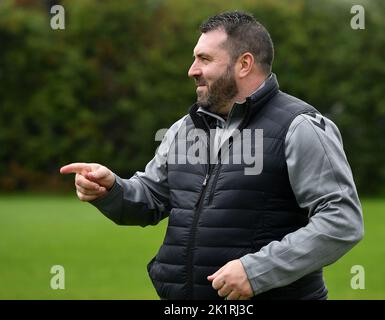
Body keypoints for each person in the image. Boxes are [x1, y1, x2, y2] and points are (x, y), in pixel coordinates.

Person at [60, 11, 364, 300]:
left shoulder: (300, 126)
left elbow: (341, 220)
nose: (192, 70)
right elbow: (151, 198)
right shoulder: (185, 128)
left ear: (244, 64)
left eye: (204, 59)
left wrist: (256, 271)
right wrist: (111, 188)